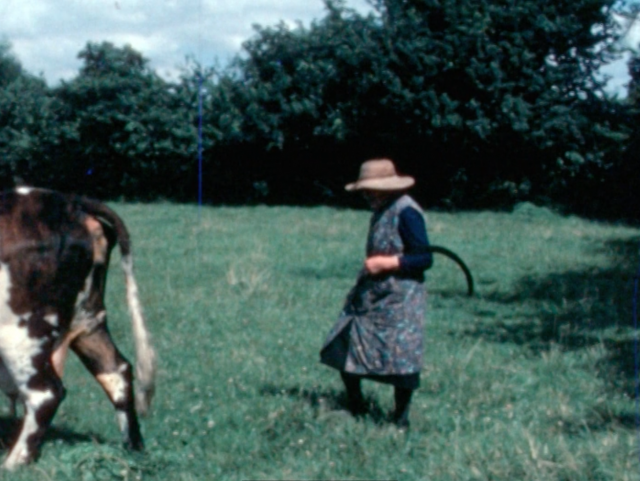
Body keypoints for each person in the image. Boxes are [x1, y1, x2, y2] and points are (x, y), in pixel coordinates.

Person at [320, 158, 433, 429]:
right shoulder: (382, 209)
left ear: (387, 187)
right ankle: (356, 405)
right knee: (342, 344)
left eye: (372, 189)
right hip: (373, 295)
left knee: (401, 361)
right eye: (365, 190)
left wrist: (388, 263)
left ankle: (400, 419)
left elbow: (424, 258)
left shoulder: (407, 212)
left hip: (400, 300)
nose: (367, 195)